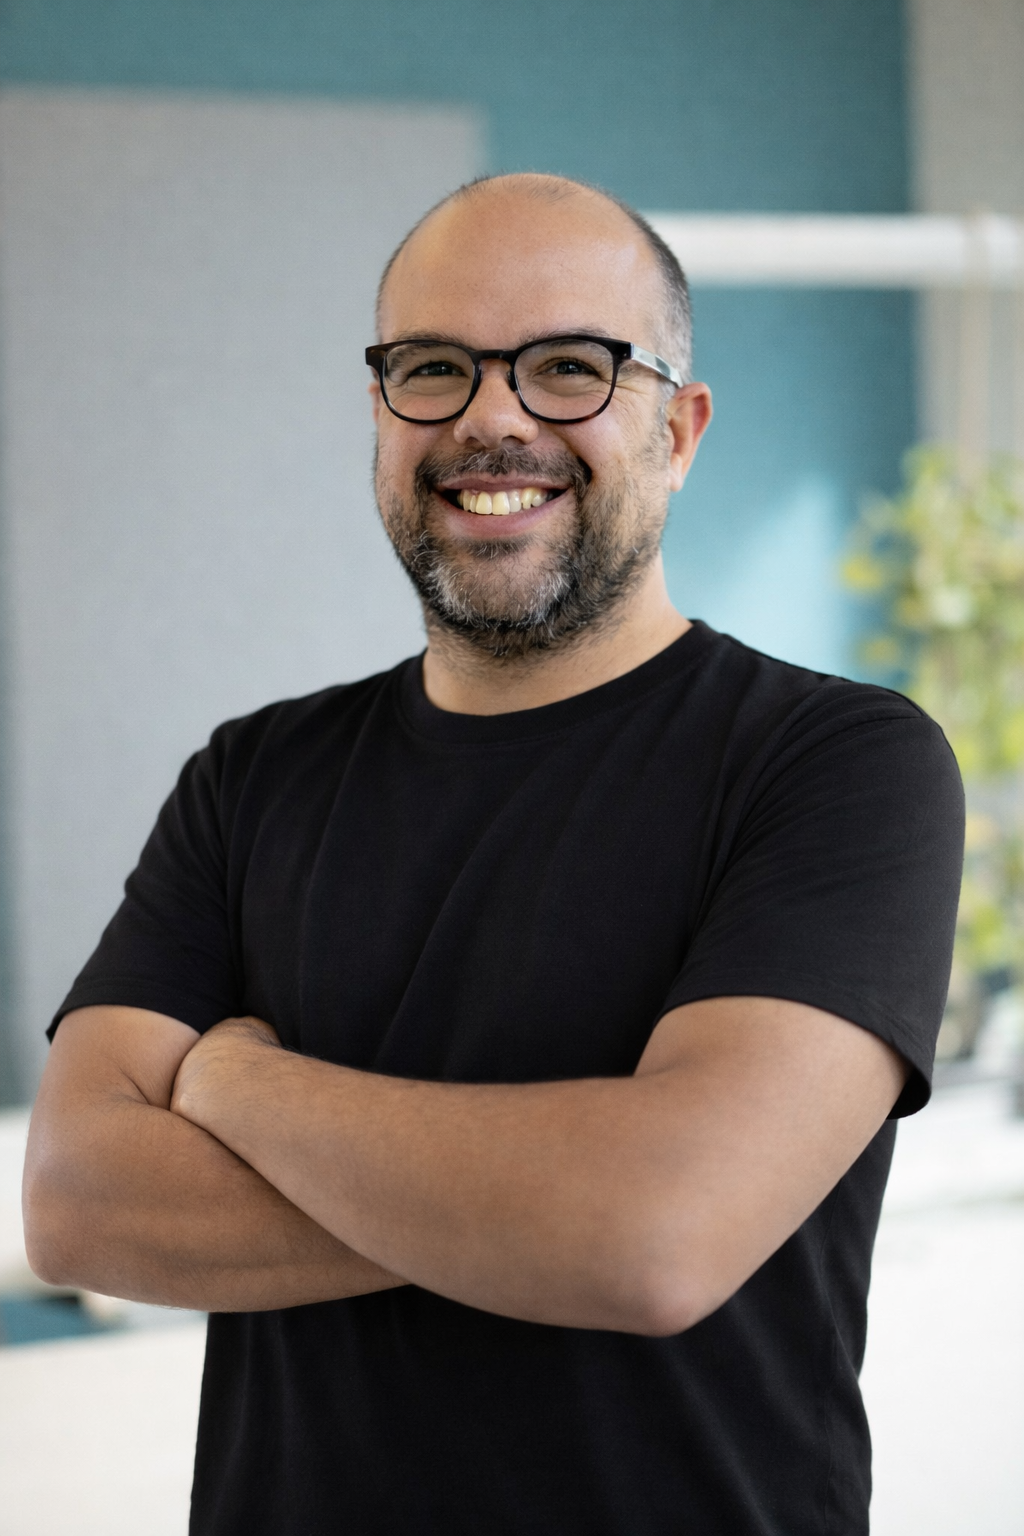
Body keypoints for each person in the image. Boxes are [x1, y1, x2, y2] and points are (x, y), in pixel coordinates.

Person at [24, 173, 963, 1536]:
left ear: (680, 429)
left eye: (571, 367)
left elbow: (653, 1240)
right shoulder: (253, 778)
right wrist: (544, 1203)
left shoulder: (836, 765)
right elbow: (80, 1208)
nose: (492, 418)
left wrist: (235, 1080)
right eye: (434, 367)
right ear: (380, 409)